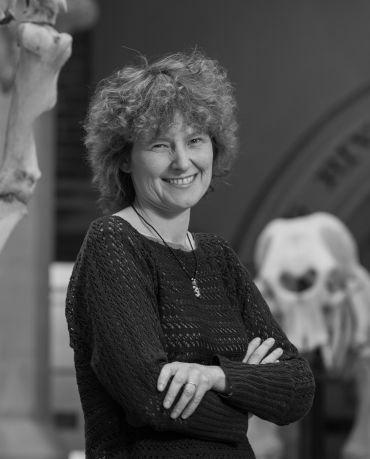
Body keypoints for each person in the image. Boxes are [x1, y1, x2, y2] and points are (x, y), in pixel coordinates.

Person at [65, 50, 315, 458]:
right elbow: (150, 398)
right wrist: (245, 400)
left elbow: (298, 388)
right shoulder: (112, 243)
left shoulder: (217, 257)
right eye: (161, 145)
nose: (183, 161)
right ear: (125, 158)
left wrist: (215, 376)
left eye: (195, 140)